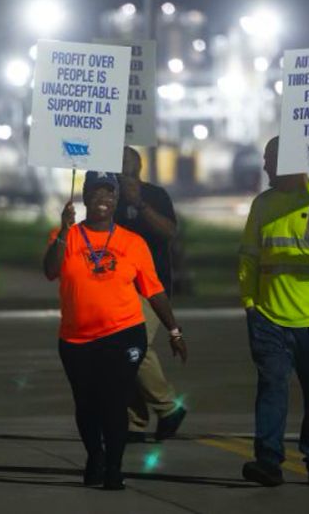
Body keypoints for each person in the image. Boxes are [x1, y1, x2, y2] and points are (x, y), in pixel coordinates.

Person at [43, 171, 188, 490]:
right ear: (84, 196)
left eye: (109, 193)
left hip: (123, 333)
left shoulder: (132, 242)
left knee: (113, 400)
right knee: (86, 404)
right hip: (76, 339)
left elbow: (155, 291)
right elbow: (50, 270)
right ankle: (95, 455)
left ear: (117, 198)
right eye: (96, 193)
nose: (103, 199)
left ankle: (114, 467)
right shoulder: (66, 236)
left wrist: (174, 330)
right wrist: (65, 231)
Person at [238, 136, 309, 487]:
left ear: (289, 162)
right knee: (271, 389)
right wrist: (250, 305)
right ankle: (268, 462)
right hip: (270, 318)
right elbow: (249, 257)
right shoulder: (263, 204)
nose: (265, 166)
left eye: (271, 159)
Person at [115, 146, 187, 442]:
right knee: (121, 354)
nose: (121, 164)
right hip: (117, 286)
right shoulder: (109, 197)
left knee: (135, 347)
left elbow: (170, 231)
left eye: (126, 159)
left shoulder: (155, 195)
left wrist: (140, 204)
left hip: (150, 287)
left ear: (139, 166)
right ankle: (135, 421)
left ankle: (168, 407)